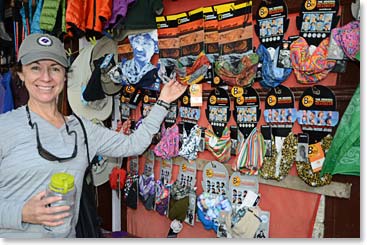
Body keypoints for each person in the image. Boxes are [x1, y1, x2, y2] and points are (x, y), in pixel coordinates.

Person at [0, 33, 187, 238]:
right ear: (21, 74)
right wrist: (22, 213)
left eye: (54, 68)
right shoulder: (4, 128)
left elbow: (133, 144)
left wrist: (163, 101)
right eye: (35, 68)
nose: (46, 77)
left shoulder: (82, 130)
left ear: (65, 75)